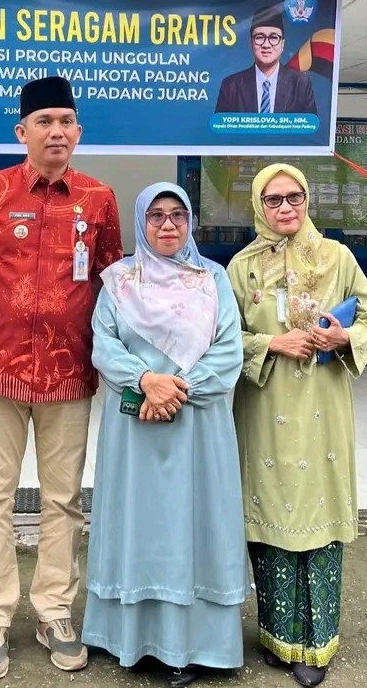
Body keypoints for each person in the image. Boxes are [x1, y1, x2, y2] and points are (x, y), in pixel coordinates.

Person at [0, 75, 123, 681]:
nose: (56, 132)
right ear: (22, 132)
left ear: (79, 131)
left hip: (69, 372)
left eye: (65, 121)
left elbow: (108, 279)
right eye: (44, 121)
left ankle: (54, 611)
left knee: (63, 498)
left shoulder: (98, 198)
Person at [82, 183, 248, 688]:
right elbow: (103, 345)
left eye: (178, 214)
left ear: (191, 221)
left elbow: (229, 351)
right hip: (136, 430)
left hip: (197, 427)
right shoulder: (118, 281)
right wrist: (145, 382)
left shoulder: (212, 279)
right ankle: (131, 639)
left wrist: (174, 391)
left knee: (197, 526)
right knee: (139, 525)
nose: (168, 224)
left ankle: (194, 645)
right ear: (141, 222)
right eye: (156, 215)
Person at [227, 163, 367, 688]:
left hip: (322, 406)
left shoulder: (338, 257)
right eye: (273, 200)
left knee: (319, 512)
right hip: (265, 407)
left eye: (294, 197)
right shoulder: (242, 267)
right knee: (270, 513)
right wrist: (272, 342)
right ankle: (277, 637)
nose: (285, 208)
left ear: (307, 199)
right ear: (258, 206)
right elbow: (223, 338)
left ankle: (317, 645)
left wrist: (344, 338)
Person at [215, 7, 317, 114]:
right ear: (251, 43)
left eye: (273, 38)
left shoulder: (300, 84)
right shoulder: (231, 86)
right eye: (259, 37)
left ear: (282, 44)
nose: (266, 45)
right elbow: (220, 124)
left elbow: (311, 124)